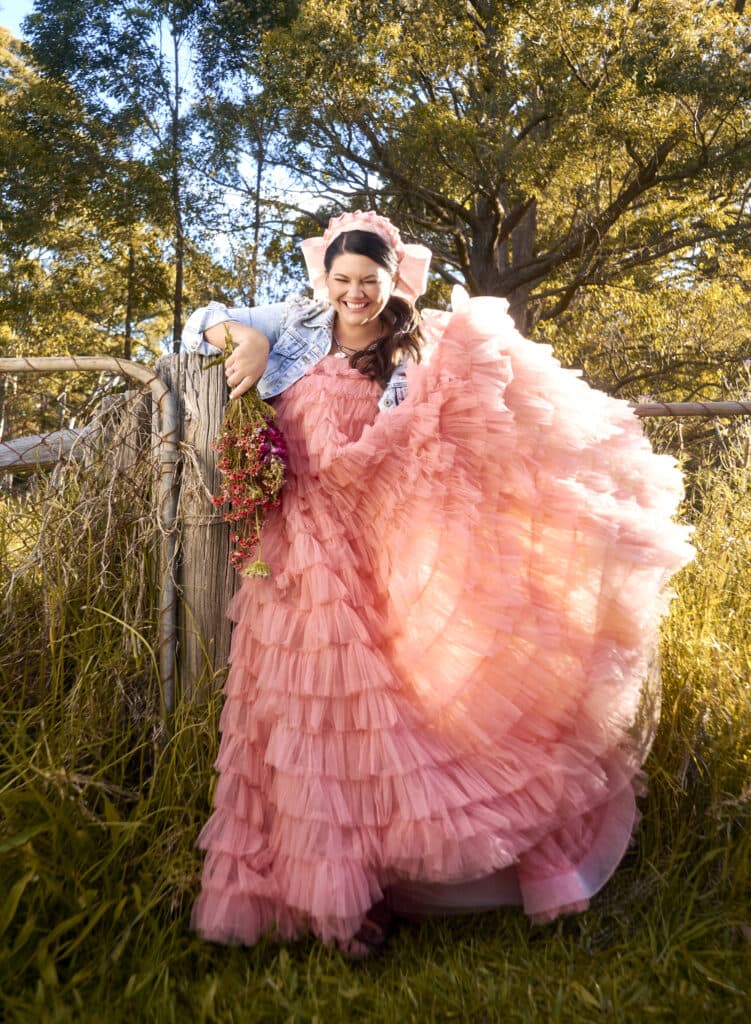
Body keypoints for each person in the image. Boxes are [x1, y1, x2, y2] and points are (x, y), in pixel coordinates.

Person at [181, 210, 694, 958]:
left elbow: (427, 447)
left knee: (375, 717)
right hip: (294, 545)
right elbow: (199, 322)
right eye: (342, 280)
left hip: (371, 545)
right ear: (323, 278)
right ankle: (331, 892)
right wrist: (245, 338)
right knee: (300, 714)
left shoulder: (411, 349)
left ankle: (379, 885)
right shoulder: (292, 325)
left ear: (394, 282)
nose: (354, 295)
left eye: (369, 281)